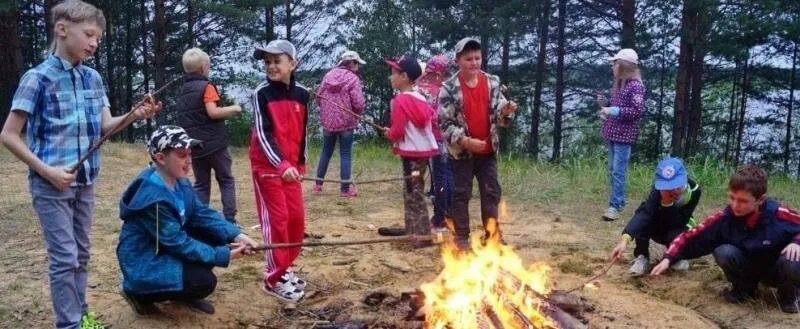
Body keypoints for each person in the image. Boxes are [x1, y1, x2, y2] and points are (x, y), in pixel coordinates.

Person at [0, 1, 161, 328]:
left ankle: (81, 315)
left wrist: (134, 115)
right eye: (89, 34)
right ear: (62, 29)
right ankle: (69, 325)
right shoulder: (37, 78)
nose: (94, 43)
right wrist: (47, 171)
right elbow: (9, 135)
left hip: (86, 181)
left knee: (82, 255)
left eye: (98, 38)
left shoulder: (93, 79)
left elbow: (106, 127)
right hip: (51, 185)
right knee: (65, 258)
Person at [117, 126, 259, 316]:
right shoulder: (153, 201)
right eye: (182, 155)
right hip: (145, 262)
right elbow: (179, 243)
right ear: (160, 158)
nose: (189, 161)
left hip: (164, 248)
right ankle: (137, 293)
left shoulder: (179, 181)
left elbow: (202, 214)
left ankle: (181, 289)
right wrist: (222, 255)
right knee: (203, 282)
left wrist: (236, 234)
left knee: (217, 235)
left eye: (190, 154)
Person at [651, 165, 800, 313]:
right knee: (723, 252)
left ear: (760, 200)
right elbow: (690, 235)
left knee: (792, 256)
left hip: (779, 270)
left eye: (743, 201)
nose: (735, 205)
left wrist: (796, 242)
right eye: (732, 198)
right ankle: (744, 291)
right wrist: (668, 258)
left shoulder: (779, 214)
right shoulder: (723, 218)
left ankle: (789, 297)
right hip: (751, 269)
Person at [438, 37, 518, 249]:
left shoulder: (492, 82)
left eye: (477, 58)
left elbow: (500, 113)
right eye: (468, 59)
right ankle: (461, 238)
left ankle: (492, 237)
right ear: (458, 60)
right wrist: (465, 141)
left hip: (487, 150)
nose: (474, 63)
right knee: (460, 194)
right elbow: (443, 125)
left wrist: (506, 111)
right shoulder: (448, 88)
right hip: (462, 153)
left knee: (492, 192)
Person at [250, 39, 309, 302]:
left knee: (296, 219)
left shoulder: (302, 94)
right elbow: (264, 135)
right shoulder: (260, 94)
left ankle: (286, 268)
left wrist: (300, 162)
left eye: (277, 61)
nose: (271, 66)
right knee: (278, 220)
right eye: (267, 62)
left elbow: (303, 131)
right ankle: (273, 278)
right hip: (268, 169)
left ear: (292, 64)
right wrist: (281, 164)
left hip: (291, 169)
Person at [175, 47, 242, 225]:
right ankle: (230, 220)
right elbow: (212, 112)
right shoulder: (207, 86)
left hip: (195, 146)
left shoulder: (182, 91)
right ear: (204, 67)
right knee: (226, 180)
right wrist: (234, 109)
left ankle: (199, 220)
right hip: (215, 145)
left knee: (201, 184)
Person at [382, 55, 439, 248]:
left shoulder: (401, 101)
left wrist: (389, 134)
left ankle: (418, 236)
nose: (391, 78)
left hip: (411, 155)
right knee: (417, 191)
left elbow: (397, 131)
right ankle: (417, 231)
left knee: (411, 194)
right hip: (423, 155)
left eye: (393, 74)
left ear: (404, 76)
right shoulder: (420, 97)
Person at [609, 158, 701, 275]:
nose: (674, 191)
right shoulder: (658, 191)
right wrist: (624, 240)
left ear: (685, 178)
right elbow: (645, 213)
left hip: (679, 225)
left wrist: (668, 204)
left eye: (677, 185)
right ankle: (642, 257)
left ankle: (675, 256)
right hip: (658, 224)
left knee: (678, 234)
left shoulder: (695, 191)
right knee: (645, 218)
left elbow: (680, 221)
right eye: (668, 187)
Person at [598, 48, 646, 221]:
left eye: (615, 63)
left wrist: (614, 110)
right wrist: (606, 107)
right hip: (613, 134)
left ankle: (615, 205)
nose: (612, 66)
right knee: (612, 170)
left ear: (624, 65)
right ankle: (619, 201)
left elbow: (637, 111)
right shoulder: (620, 84)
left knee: (618, 171)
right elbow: (616, 107)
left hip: (624, 136)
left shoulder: (636, 86)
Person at [313, 50, 367, 197]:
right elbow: (359, 103)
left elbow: (318, 98)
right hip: (347, 121)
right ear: (351, 63)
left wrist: (326, 112)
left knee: (326, 152)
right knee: (345, 155)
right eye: (357, 63)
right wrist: (358, 112)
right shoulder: (353, 79)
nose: (358, 66)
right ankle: (345, 190)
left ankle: (317, 185)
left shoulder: (328, 75)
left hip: (328, 123)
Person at [418, 54, 454, 234]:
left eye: (432, 74)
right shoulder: (453, 88)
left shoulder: (434, 91)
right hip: (451, 138)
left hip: (438, 139)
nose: (429, 77)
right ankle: (448, 216)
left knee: (441, 179)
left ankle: (440, 218)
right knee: (447, 176)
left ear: (439, 74)